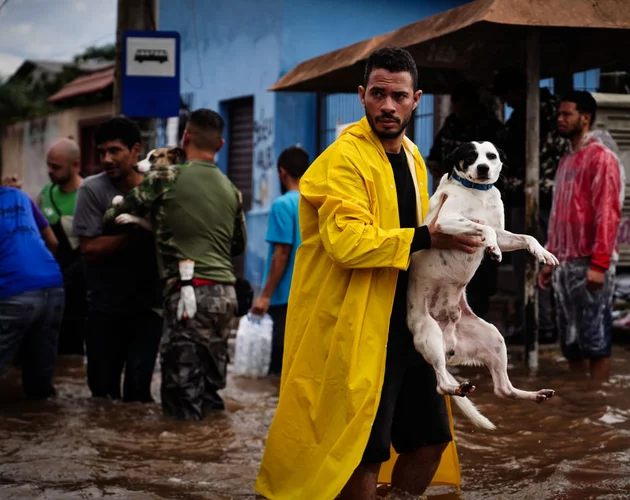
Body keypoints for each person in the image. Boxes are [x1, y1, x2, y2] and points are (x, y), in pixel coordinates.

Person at [255, 47, 482, 500]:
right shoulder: (343, 159)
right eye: (378, 94)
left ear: (416, 99)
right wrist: (425, 238)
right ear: (361, 96)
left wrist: (452, 293)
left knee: (432, 440)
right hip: (358, 325)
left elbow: (427, 238)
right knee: (363, 449)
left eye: (398, 96)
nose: (387, 106)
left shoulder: (416, 157)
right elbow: (348, 244)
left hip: (413, 321)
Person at [104, 109, 247, 421]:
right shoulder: (231, 190)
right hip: (226, 298)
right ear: (221, 144)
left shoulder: (165, 177)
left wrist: (157, 221)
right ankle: (214, 457)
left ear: (185, 138)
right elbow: (237, 246)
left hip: (189, 295)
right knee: (209, 390)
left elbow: (112, 218)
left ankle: (183, 464)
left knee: (181, 396)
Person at [72, 117, 163, 402]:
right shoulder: (92, 190)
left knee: (138, 396)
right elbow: (88, 248)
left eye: (114, 151)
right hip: (104, 309)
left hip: (148, 308)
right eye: (101, 153)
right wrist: (135, 232)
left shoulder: (157, 186)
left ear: (136, 150)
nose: (107, 159)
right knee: (103, 396)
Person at [538, 90, 622, 380]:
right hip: (564, 266)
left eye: (566, 114)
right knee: (571, 342)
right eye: (559, 114)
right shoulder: (565, 161)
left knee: (595, 340)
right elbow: (558, 218)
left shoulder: (601, 158)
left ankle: (597, 404)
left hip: (589, 264)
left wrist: (599, 265)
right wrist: (549, 260)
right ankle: (579, 401)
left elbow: (608, 213)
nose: (559, 119)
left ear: (584, 118)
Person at [493, 70, 568, 342]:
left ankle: (541, 328)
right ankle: (534, 325)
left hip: (539, 200)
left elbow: (538, 163)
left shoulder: (543, 114)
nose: (508, 101)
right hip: (527, 198)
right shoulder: (524, 114)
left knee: (536, 263)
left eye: (508, 96)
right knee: (527, 265)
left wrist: (513, 183)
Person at [426, 80, 505, 318]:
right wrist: (447, 181)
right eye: (455, 104)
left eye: (462, 104)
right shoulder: (450, 126)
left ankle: (478, 313)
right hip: (456, 198)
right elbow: (434, 158)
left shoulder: (490, 127)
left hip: (485, 199)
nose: (458, 109)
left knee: (484, 260)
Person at [0, 184, 65, 399]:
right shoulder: (20, 195)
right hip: (52, 283)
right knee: (40, 385)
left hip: (15, 291)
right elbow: (53, 242)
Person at [250, 146, 309, 376]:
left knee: (278, 370)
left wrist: (264, 295)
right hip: (307, 296)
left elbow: (281, 254)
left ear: (281, 172)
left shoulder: (282, 205)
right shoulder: (314, 203)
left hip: (284, 300)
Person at [39, 138, 87, 355]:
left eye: (56, 167)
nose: (50, 171)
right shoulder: (46, 193)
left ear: (75, 165)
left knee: (73, 344)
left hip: (79, 286)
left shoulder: (88, 195)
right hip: (51, 282)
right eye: (48, 165)